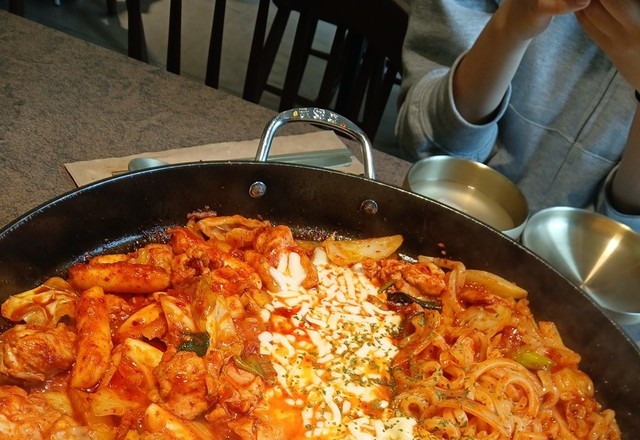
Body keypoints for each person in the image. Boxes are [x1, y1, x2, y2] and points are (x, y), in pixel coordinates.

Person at [395, 0, 640, 232]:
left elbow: (626, 241)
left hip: (583, 259)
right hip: (430, 214)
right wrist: (510, 27)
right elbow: (426, 146)